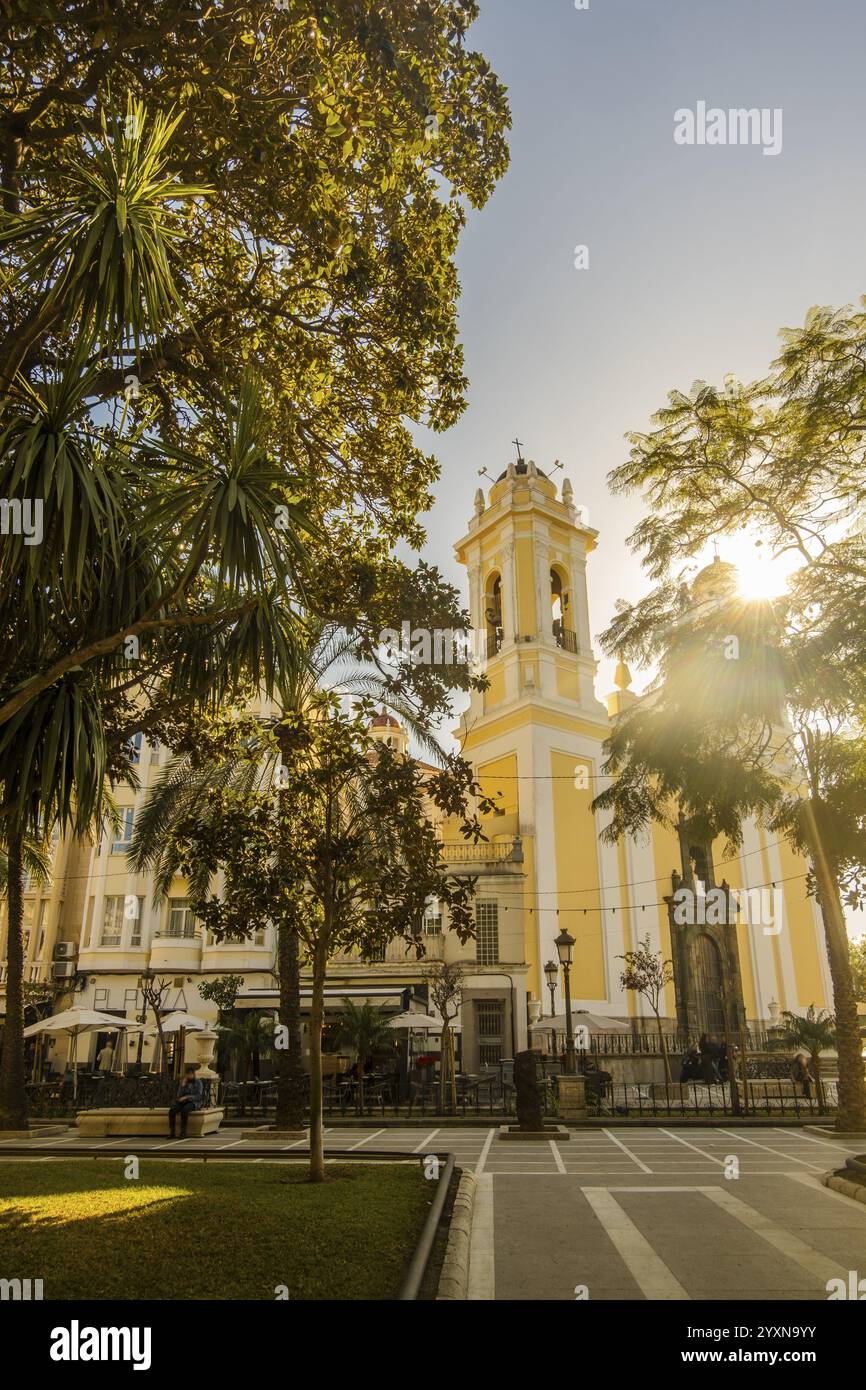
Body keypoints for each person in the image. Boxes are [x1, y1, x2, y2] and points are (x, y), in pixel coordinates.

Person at [168, 1064, 203, 1138]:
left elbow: (199, 1096)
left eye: (191, 1074)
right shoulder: (184, 1082)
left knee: (185, 1110)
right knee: (172, 1110)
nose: (189, 1076)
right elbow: (179, 1095)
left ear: (193, 1074)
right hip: (183, 1101)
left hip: (194, 1102)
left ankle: (183, 1132)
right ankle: (172, 1132)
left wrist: (187, 1097)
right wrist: (183, 1085)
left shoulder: (198, 1082)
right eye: (188, 1074)